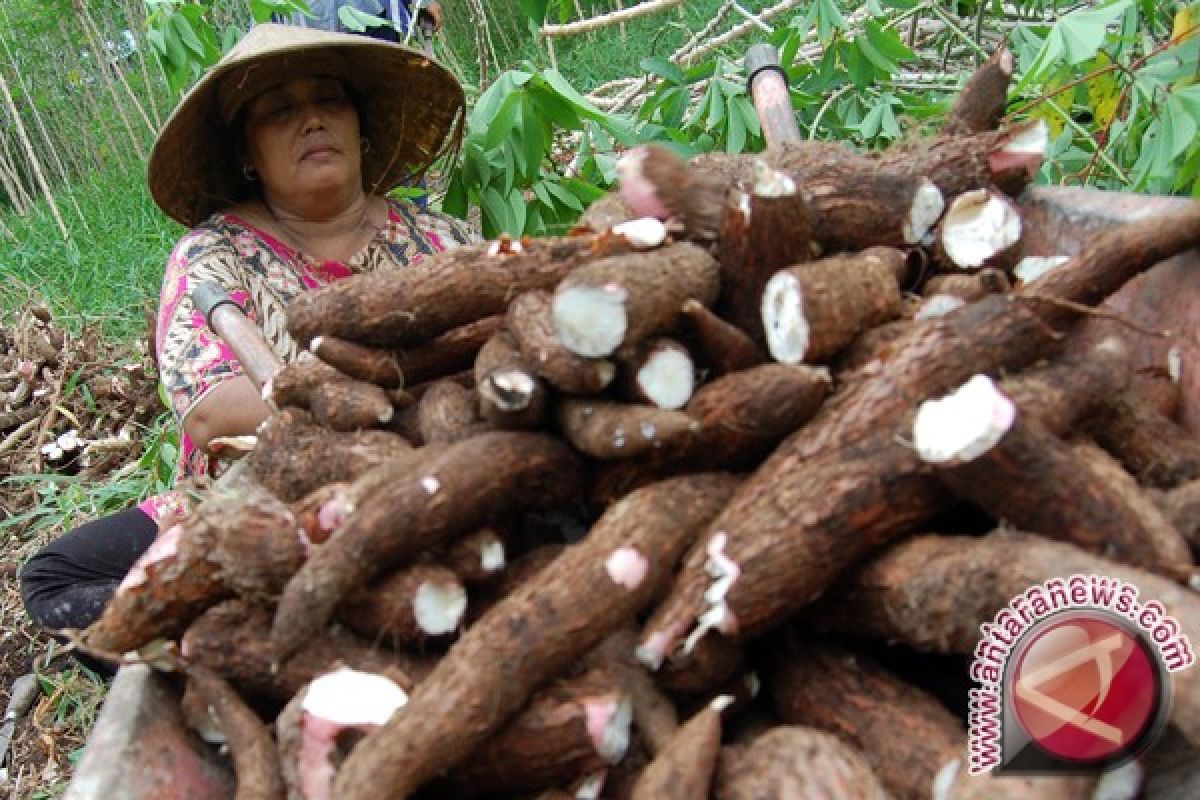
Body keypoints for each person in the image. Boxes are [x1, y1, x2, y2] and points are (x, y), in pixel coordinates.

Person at [19, 23, 474, 663]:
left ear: (359, 123)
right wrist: (373, 414)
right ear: (248, 152)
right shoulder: (212, 255)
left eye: (329, 99)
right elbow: (212, 409)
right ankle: (241, 639)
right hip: (249, 494)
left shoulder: (440, 240)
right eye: (279, 109)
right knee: (52, 578)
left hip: (441, 468)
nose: (312, 121)